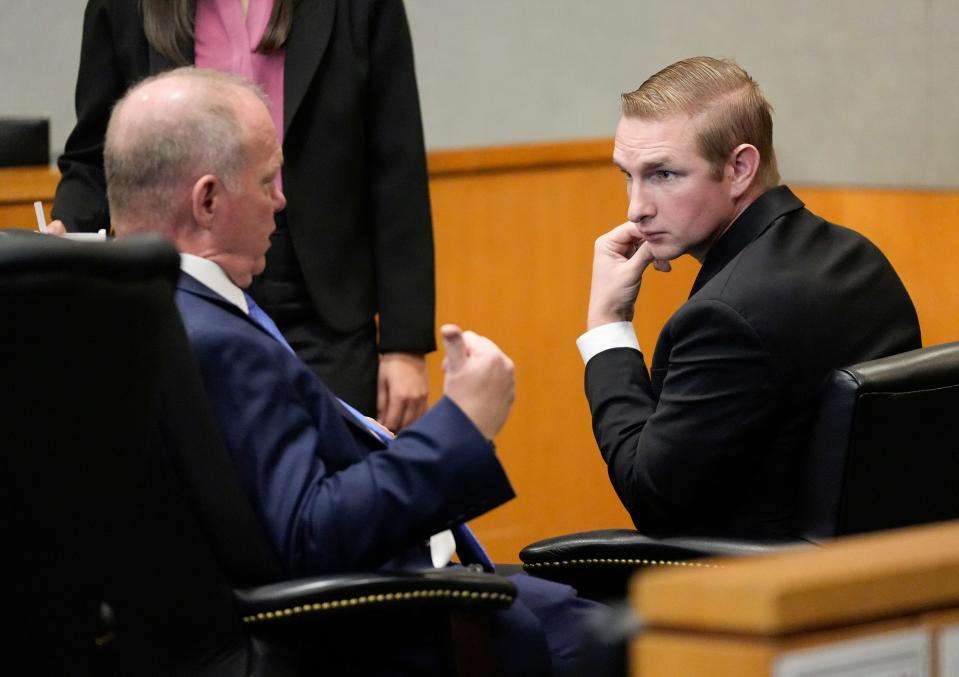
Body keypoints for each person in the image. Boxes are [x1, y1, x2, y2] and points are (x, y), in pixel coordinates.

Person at [104, 66, 598, 677]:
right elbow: (311, 537)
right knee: (632, 630)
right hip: (380, 627)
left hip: (327, 614)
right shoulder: (216, 342)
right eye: (266, 181)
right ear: (207, 200)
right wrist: (464, 426)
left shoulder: (119, 316)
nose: (281, 202)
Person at [51, 0, 433, 430]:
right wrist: (67, 233)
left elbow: (396, 167)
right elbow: (94, 157)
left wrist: (404, 347)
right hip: (182, 291)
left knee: (335, 474)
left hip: (323, 306)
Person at [580, 56, 921, 538]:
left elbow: (653, 500)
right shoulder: (858, 257)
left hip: (757, 596)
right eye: (627, 175)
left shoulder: (725, 317)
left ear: (740, 168)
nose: (637, 208)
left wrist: (607, 326)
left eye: (664, 174)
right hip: (874, 577)